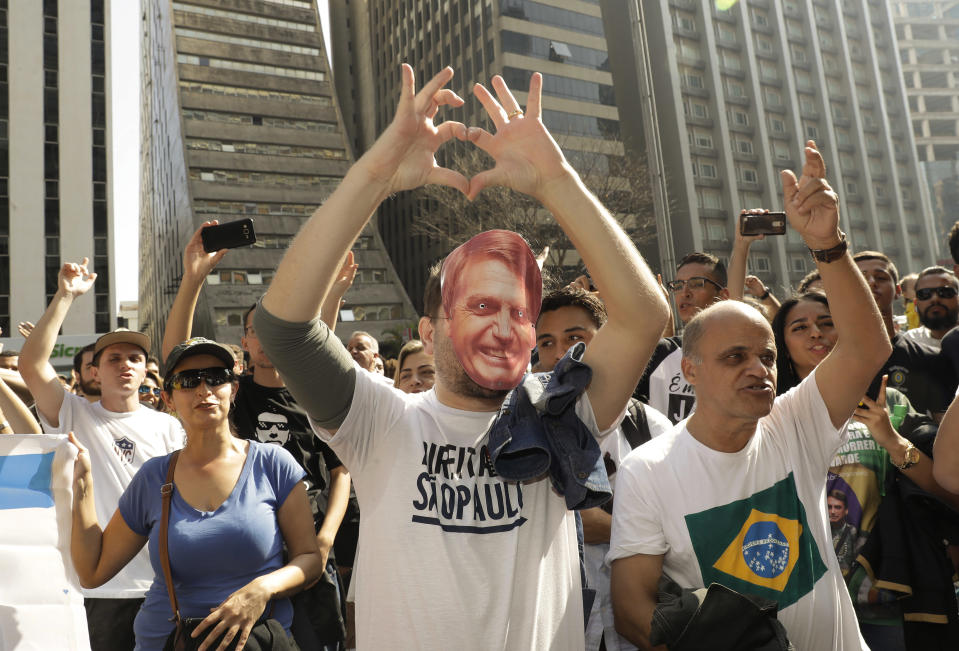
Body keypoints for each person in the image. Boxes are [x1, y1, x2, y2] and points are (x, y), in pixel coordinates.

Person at [253, 66, 669, 649]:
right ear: (431, 327)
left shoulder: (560, 419)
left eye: (519, 312)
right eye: (479, 305)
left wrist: (556, 181)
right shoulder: (381, 421)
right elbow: (286, 329)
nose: (504, 328)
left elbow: (644, 317)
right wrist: (374, 176)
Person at [609, 141, 890, 650]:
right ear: (689, 371)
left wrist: (828, 245)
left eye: (766, 357)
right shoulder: (646, 471)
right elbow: (631, 608)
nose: (758, 370)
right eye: (734, 357)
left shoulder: (794, 421)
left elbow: (868, 347)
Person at [161, 226, 354, 648]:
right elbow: (177, 360)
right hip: (253, 555)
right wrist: (193, 278)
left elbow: (342, 470)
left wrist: (324, 540)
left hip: (311, 553)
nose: (267, 340)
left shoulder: (313, 395)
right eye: (256, 330)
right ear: (245, 341)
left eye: (277, 330)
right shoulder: (231, 394)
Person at [69, 337, 324, 650]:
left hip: (257, 642)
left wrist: (262, 589)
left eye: (216, 378)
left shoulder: (273, 464)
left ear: (234, 389)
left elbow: (310, 559)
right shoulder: (154, 477)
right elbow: (92, 573)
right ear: (169, 398)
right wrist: (82, 486)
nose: (204, 391)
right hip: (168, 641)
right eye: (188, 381)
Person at [769, 291, 959, 648]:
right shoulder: (770, 417)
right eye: (800, 327)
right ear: (782, 344)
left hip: (884, 595)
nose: (816, 333)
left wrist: (891, 439)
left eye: (827, 323)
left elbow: (944, 489)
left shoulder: (891, 405)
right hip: (802, 597)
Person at [19, 259, 185, 651]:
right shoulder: (73, 413)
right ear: (94, 371)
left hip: (162, 588)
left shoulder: (170, 427)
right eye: (114, 358)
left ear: (147, 370)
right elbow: (30, 365)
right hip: (99, 588)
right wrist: (66, 295)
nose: (125, 365)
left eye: (134, 359)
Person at [535, 285, 672, 651]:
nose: (560, 354)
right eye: (546, 342)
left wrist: (611, 528)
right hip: (558, 630)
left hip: (641, 629)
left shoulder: (651, 428)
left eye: (575, 337)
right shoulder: (519, 436)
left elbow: (683, 524)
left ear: (608, 340)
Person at [854, 251, 957, 419]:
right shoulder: (827, 359)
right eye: (860, 277)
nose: (871, 283)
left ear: (898, 291)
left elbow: (944, 428)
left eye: (880, 277)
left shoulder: (929, 358)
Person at [634, 252, 728, 424]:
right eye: (678, 285)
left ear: (723, 296)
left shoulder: (740, 356)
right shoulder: (660, 353)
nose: (685, 292)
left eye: (696, 284)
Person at [902, 266, 959, 350]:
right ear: (915, 303)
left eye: (944, 292)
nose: (935, 299)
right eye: (925, 294)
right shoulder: (909, 342)